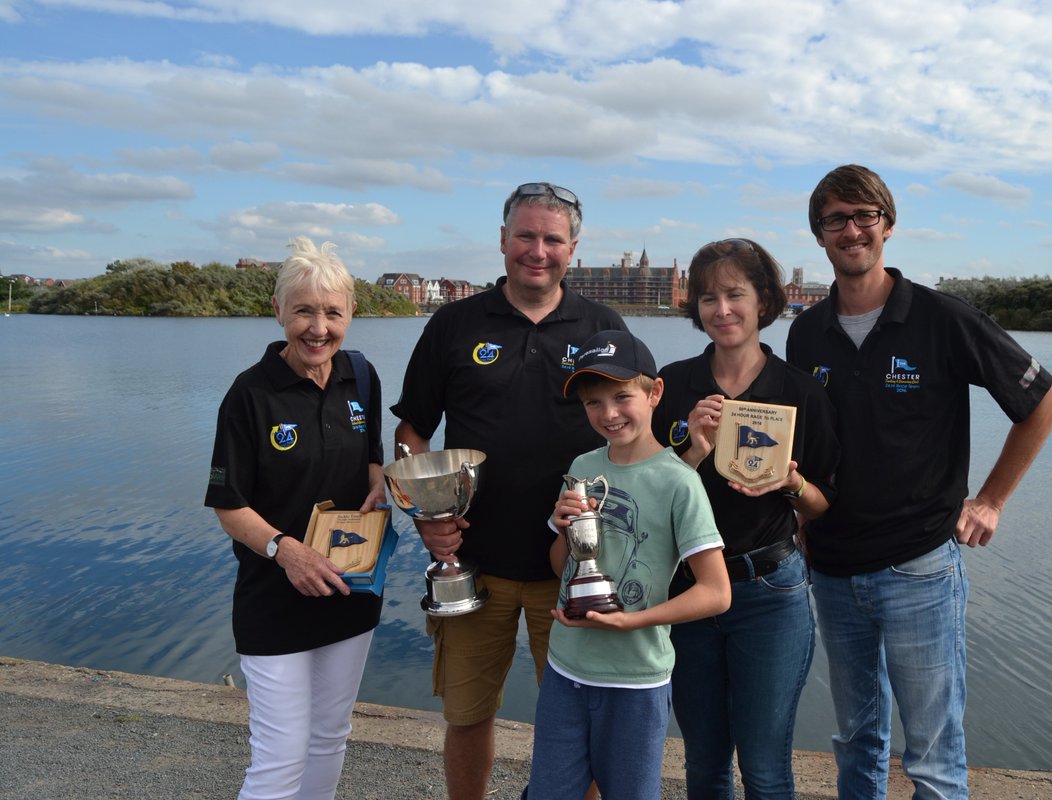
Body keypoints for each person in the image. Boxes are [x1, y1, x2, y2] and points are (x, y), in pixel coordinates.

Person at [786, 164, 1052, 800]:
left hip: (919, 567)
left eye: (864, 216)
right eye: (835, 220)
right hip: (831, 566)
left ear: (888, 224)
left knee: (934, 755)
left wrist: (991, 500)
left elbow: (1045, 401)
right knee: (856, 740)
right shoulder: (805, 333)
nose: (851, 230)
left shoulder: (942, 319)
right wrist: (801, 516)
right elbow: (809, 441)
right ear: (819, 235)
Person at [390, 182, 627, 800]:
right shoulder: (454, 324)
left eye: (553, 239)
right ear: (502, 241)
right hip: (475, 566)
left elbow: (643, 425)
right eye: (526, 235)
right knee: (468, 718)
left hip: (576, 566)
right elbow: (412, 431)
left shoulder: (604, 328)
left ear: (573, 249)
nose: (537, 250)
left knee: (583, 725)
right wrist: (422, 515)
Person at [651, 238, 840, 799]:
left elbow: (824, 503)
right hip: (687, 590)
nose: (722, 310)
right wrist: (690, 450)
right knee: (703, 765)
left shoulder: (799, 390)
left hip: (769, 593)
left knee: (764, 767)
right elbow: (649, 495)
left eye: (736, 294)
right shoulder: (672, 384)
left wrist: (792, 484)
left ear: (763, 302)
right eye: (708, 298)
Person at [205, 236, 386, 800]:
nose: (318, 328)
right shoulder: (249, 394)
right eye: (304, 310)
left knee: (331, 737)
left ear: (351, 314)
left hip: (349, 591)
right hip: (273, 598)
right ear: (279, 310)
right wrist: (288, 551)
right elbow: (230, 506)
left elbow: (371, 454)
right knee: (280, 755)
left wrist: (379, 477)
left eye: (333, 312)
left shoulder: (362, 376)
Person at [524, 329, 732, 800]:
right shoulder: (581, 464)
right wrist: (561, 531)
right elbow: (563, 569)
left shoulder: (680, 483)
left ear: (655, 393)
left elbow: (717, 592)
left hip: (635, 679)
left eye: (622, 396)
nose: (609, 413)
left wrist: (634, 621)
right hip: (566, 668)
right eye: (593, 403)